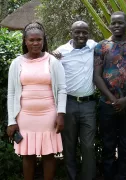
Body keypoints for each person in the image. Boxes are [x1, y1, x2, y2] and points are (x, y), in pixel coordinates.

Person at [7, 22, 66, 180]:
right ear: (25, 41)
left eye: (39, 40)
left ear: (43, 40)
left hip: (48, 115)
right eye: (31, 40)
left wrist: (61, 114)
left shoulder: (52, 61)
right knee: (28, 154)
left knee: (48, 154)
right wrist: (11, 120)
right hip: (25, 116)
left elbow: (61, 89)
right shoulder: (17, 63)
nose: (35, 43)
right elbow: (11, 93)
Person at [93, 11, 126, 180]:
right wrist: (113, 99)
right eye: (113, 23)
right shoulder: (101, 47)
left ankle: (122, 176)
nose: (116, 26)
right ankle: (109, 176)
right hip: (107, 104)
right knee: (108, 144)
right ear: (110, 25)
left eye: (120, 23)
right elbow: (97, 76)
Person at [52, 21, 97, 180]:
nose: (81, 35)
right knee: (69, 146)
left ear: (88, 33)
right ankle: (72, 177)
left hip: (89, 105)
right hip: (68, 104)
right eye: (77, 32)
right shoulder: (61, 52)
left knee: (88, 146)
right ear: (71, 32)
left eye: (84, 32)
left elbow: (112, 42)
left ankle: (88, 177)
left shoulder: (93, 46)